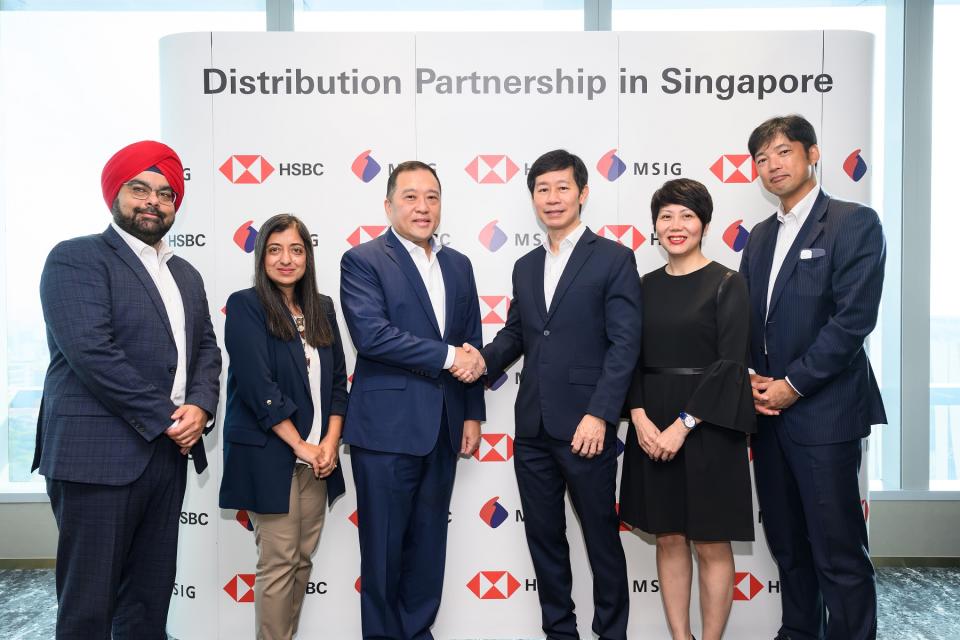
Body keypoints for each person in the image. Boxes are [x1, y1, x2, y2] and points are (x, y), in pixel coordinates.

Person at [33, 140, 222, 638]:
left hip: (166, 455)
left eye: (165, 193)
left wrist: (200, 405)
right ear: (116, 193)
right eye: (140, 189)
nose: (153, 202)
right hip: (97, 458)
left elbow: (206, 350)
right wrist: (169, 417)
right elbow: (92, 353)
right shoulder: (77, 258)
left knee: (149, 601)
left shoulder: (185, 273)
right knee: (88, 609)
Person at [468, 149, 641, 640]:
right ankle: (559, 632)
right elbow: (519, 334)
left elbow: (625, 344)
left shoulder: (613, 257)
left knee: (602, 541)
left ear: (583, 193)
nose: (552, 197)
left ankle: (612, 633)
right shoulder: (525, 265)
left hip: (587, 427)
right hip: (533, 430)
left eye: (563, 187)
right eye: (542, 189)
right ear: (532, 198)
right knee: (544, 539)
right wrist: (482, 361)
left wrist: (601, 415)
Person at [740, 114, 886, 640]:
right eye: (761, 157)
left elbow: (851, 323)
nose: (771, 165)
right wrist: (755, 382)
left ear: (812, 154)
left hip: (825, 414)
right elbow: (749, 321)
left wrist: (792, 384)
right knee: (788, 545)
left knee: (838, 550)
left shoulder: (853, 222)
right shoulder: (759, 237)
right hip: (770, 419)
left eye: (782, 152)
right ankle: (799, 633)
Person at [339, 161, 485, 640]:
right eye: (410, 197)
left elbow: (470, 341)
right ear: (388, 205)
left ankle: (418, 632)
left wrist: (472, 412)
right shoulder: (363, 260)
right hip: (385, 431)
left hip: (444, 427)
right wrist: (447, 357)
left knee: (428, 548)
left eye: (432, 197)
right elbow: (374, 336)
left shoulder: (458, 264)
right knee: (382, 551)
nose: (422, 207)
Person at [619, 178, 756, 640]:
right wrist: (638, 417)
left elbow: (730, 363)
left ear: (705, 223)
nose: (676, 226)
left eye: (687, 216)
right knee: (669, 535)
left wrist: (683, 425)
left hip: (709, 426)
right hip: (650, 424)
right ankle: (681, 637)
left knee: (711, 541)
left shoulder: (728, 283)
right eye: (666, 217)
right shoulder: (641, 286)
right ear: (654, 226)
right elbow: (627, 358)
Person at [219, 214, 347, 640]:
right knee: (278, 561)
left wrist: (328, 443)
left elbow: (336, 385)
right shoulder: (245, 305)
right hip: (270, 451)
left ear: (308, 256)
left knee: (302, 559)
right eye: (275, 250)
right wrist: (302, 446)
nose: (286, 259)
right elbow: (260, 388)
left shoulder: (322, 308)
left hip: (317, 458)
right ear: (262, 257)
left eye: (296, 250)